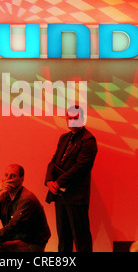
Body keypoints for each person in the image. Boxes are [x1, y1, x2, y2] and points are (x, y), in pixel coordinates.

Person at [45, 105, 98, 252]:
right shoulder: (64, 137)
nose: (73, 121)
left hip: (76, 197)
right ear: (66, 119)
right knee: (63, 239)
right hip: (60, 195)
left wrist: (58, 182)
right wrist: (49, 181)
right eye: (70, 118)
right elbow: (54, 160)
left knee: (81, 240)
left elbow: (80, 168)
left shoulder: (88, 140)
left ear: (82, 118)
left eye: (76, 118)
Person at [0, 164, 51, 252]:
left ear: (21, 179)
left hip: (30, 243)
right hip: (13, 238)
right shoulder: (5, 196)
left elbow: (13, 227)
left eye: (12, 176)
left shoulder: (27, 199)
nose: (8, 178)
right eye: (6, 175)